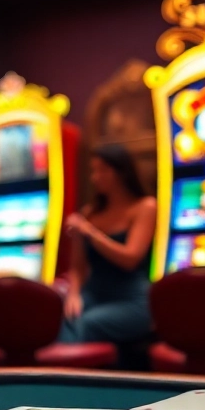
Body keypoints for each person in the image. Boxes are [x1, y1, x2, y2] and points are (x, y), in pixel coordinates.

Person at [60, 144, 156, 346]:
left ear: (121, 171)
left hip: (131, 300)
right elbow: (77, 267)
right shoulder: (89, 213)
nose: (95, 177)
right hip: (93, 293)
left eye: (102, 170)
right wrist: (73, 294)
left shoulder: (145, 206)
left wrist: (90, 232)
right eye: (93, 171)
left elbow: (130, 259)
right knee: (61, 318)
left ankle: (71, 377)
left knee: (87, 323)